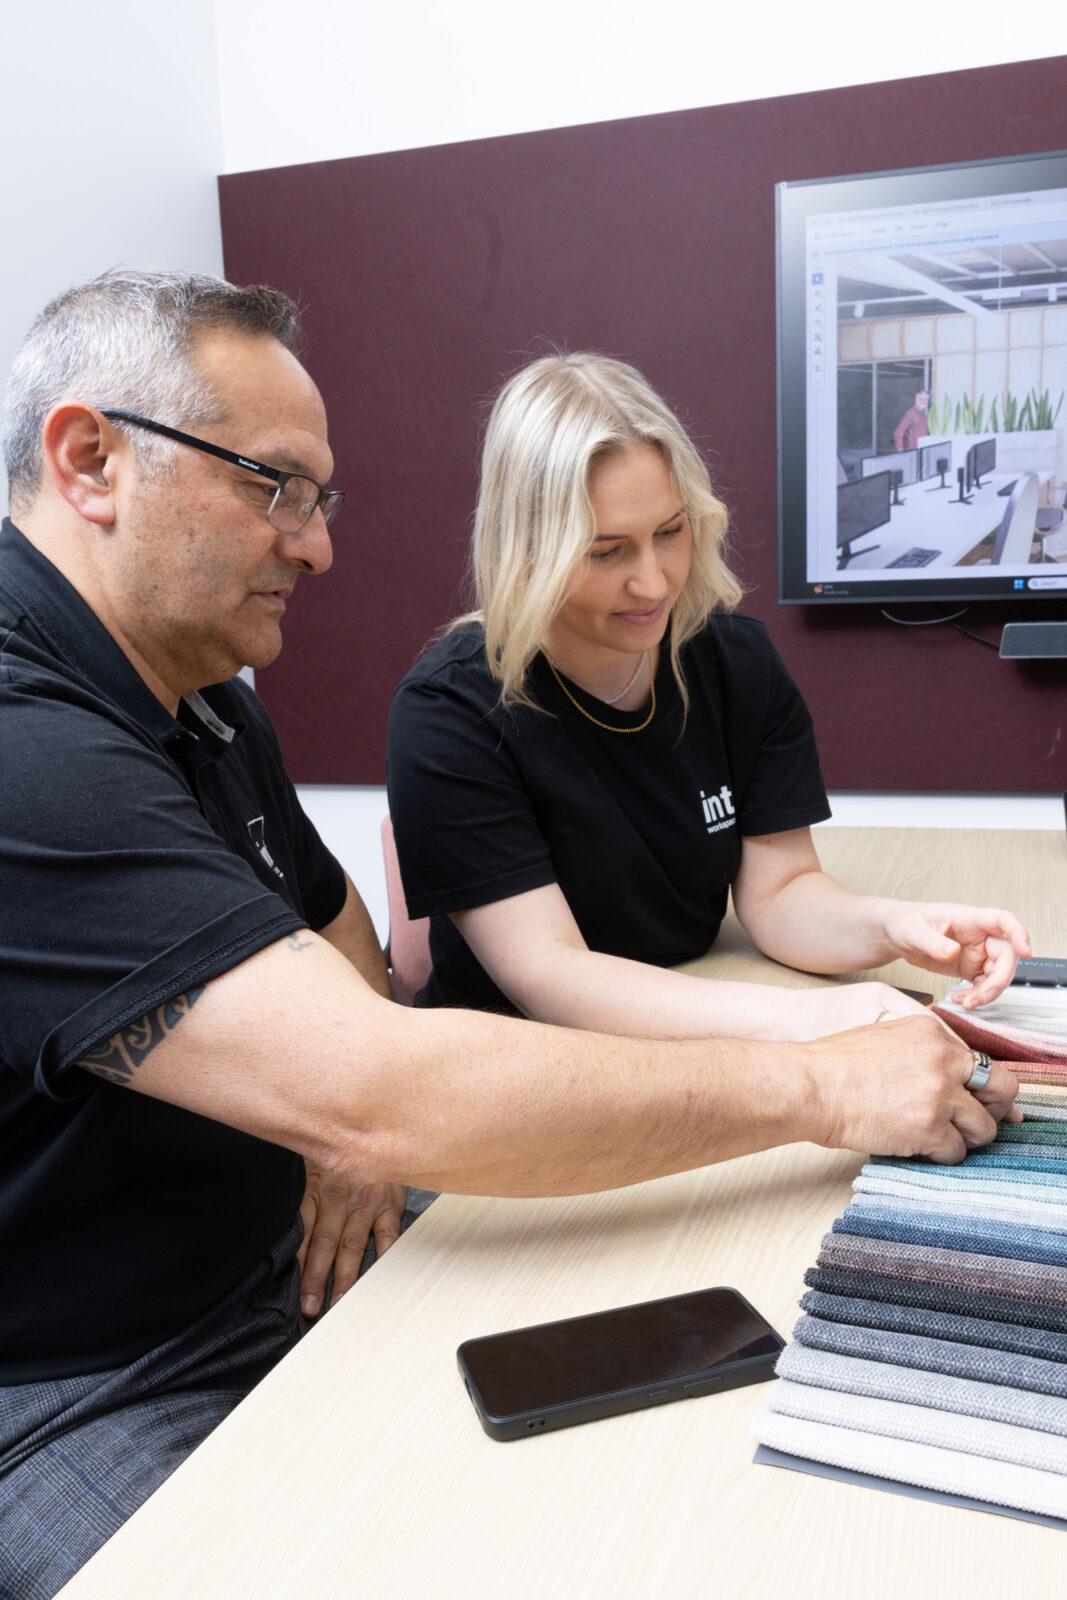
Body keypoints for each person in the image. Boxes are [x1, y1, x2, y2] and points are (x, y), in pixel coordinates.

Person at [0, 277, 1017, 1598]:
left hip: (292, 1234)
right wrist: (823, 1077)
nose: (314, 548)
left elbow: (334, 928)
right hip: (91, 1367)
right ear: (91, 461)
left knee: (685, 1458)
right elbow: (395, 1075)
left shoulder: (198, 699)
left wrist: (343, 1130)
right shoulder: (31, 747)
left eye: (320, 500)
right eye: (278, 488)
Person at [387, 353, 1028, 1042]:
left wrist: (898, 926)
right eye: (605, 552)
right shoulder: (449, 713)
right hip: (522, 1055)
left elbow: (779, 896)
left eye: (669, 532)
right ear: (526, 550)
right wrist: (826, 1017)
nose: (653, 584)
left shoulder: (734, 662)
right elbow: (553, 978)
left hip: (694, 1001)